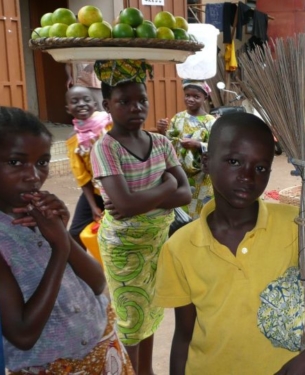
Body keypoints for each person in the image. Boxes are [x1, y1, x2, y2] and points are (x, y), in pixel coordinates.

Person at [153, 113, 305, 375]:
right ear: (206, 161)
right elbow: (184, 334)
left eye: (261, 168)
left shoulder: (299, 226)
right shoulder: (180, 246)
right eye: (235, 161)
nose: (248, 176)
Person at [0, 106, 133, 374]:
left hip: (104, 349)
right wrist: (59, 249)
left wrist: (62, 235)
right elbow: (23, 334)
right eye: (16, 162)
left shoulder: (43, 214)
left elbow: (97, 283)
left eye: (42, 162)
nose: (34, 176)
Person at [90, 60, 192, 375]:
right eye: (124, 101)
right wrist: (167, 186)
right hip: (124, 248)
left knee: (149, 314)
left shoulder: (160, 142)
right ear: (107, 105)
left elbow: (185, 194)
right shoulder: (105, 149)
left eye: (142, 100)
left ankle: (143, 372)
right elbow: (124, 203)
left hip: (156, 244)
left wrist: (142, 199)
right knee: (131, 319)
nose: (136, 107)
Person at [156, 80, 216, 219]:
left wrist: (198, 145)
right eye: (187, 95)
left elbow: (217, 147)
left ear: (205, 98)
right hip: (181, 174)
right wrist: (161, 132)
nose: (190, 99)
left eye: (196, 96)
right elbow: (169, 144)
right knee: (182, 212)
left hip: (202, 177)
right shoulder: (178, 118)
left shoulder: (210, 121)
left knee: (202, 213)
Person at [65, 85, 112, 247]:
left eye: (86, 100)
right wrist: (93, 206)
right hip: (96, 191)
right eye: (75, 101)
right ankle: (83, 272)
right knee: (76, 234)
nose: (81, 104)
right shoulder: (74, 140)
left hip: (121, 188)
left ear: (95, 103)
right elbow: (82, 176)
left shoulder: (109, 123)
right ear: (68, 108)